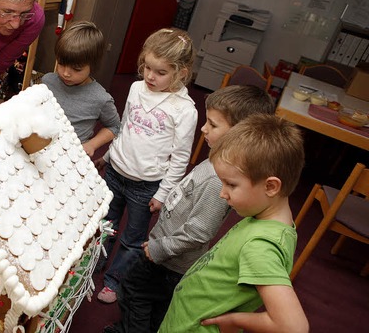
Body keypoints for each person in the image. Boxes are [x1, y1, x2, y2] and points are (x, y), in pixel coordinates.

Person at [104, 85, 276, 333]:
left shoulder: (219, 178)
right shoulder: (217, 160)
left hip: (169, 261)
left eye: (213, 125)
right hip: (166, 254)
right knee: (156, 304)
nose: (204, 129)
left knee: (133, 291)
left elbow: (199, 232)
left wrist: (159, 248)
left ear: (241, 134)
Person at [159, 114, 309, 333]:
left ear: (270, 187)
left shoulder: (261, 246)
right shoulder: (264, 218)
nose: (222, 194)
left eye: (231, 184)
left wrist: (236, 321)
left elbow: (293, 327)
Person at [96, 28, 198, 304]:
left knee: (132, 238)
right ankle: (93, 265)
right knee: (105, 224)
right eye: (147, 67)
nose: (150, 76)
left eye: (161, 72)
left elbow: (180, 158)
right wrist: (107, 158)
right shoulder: (135, 88)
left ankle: (114, 280)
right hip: (116, 172)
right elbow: (124, 127)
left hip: (147, 186)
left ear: (181, 73)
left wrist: (163, 194)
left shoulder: (184, 109)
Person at [42, 21, 120, 157]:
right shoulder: (47, 81)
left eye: (76, 69)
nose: (66, 73)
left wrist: (92, 144)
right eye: (61, 64)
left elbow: (114, 127)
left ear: (93, 66)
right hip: (41, 150)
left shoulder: (101, 98)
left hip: (71, 157)